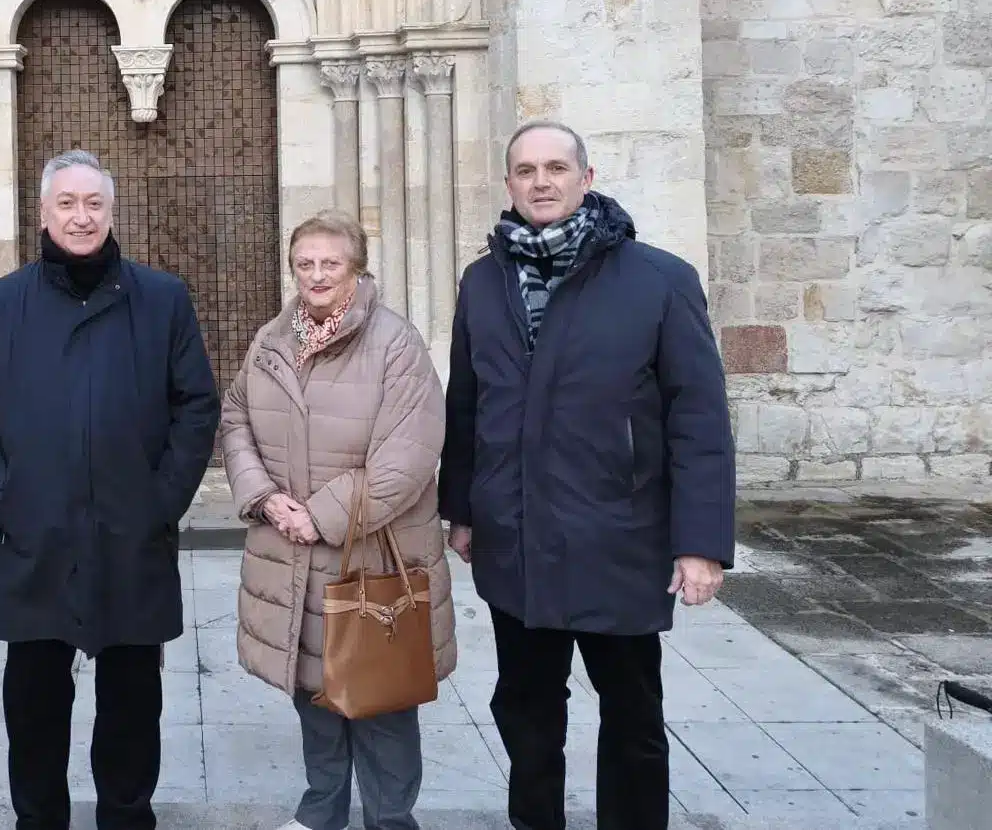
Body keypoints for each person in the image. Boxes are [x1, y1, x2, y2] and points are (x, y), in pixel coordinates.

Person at [438, 120, 736, 830]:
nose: (541, 182)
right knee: (526, 708)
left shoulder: (659, 280)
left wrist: (700, 544)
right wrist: (464, 508)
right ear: (508, 184)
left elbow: (698, 418)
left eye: (555, 168)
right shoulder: (483, 282)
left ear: (586, 178)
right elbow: (467, 403)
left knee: (632, 715)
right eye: (525, 171)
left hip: (619, 536)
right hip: (516, 535)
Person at [0, 148, 222, 830]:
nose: (81, 217)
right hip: (36, 538)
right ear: (42, 212)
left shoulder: (162, 299)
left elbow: (197, 406)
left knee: (132, 706)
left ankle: (126, 818)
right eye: (66, 203)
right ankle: (39, 821)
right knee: (35, 705)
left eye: (93, 204)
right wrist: (1, 504)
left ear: (111, 211)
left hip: (133, 537)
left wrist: (163, 500)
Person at [219, 209, 456, 830]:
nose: (316, 275)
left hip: (373, 559)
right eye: (305, 263)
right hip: (293, 560)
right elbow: (236, 418)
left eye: (331, 262)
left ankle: (390, 819)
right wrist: (265, 498)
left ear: (356, 269)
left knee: (381, 700)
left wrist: (318, 516)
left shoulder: (395, 344)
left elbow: (408, 454)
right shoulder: (272, 340)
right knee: (315, 696)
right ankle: (322, 810)